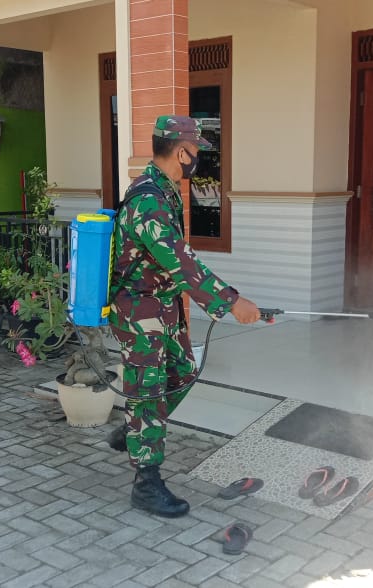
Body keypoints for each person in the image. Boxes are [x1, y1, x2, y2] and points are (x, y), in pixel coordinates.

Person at [105, 115, 261, 518]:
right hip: (142, 314)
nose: (199, 160)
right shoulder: (149, 199)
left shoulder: (165, 189)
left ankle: (135, 427)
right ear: (181, 151)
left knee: (183, 373)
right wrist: (229, 303)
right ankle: (146, 483)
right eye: (197, 152)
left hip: (162, 309)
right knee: (150, 390)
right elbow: (180, 261)